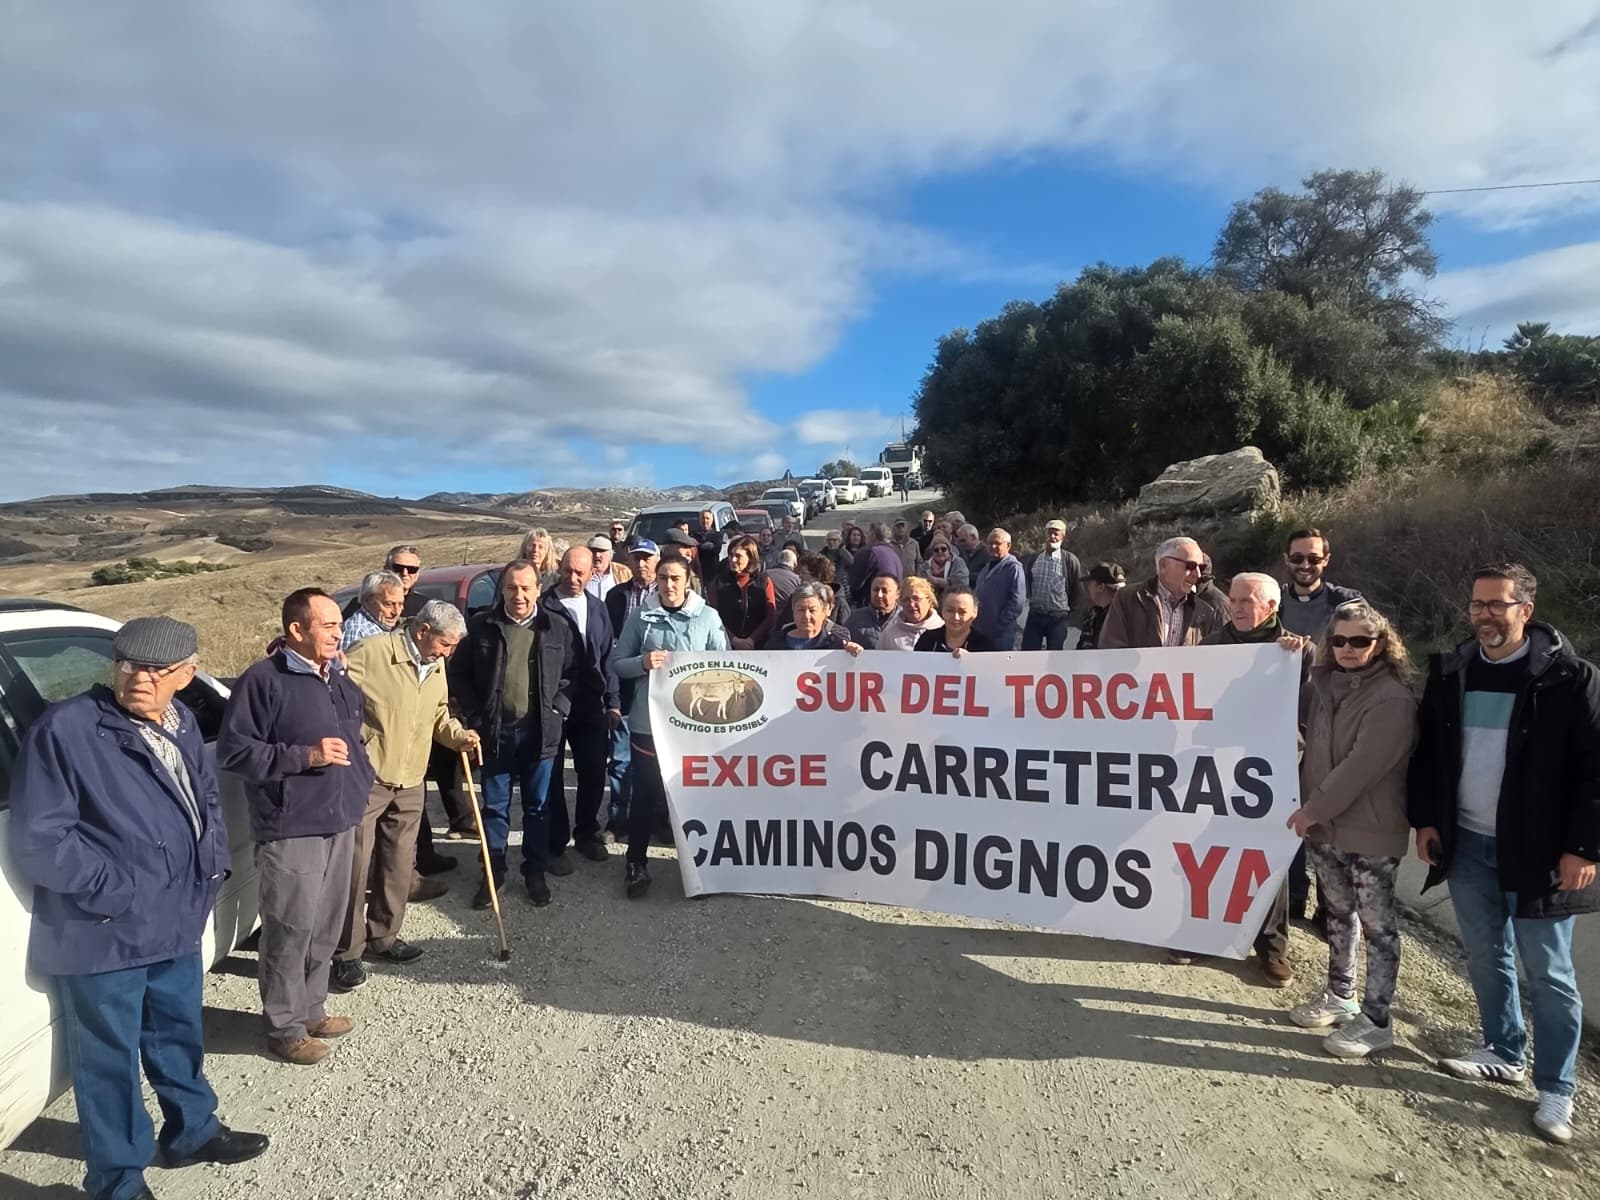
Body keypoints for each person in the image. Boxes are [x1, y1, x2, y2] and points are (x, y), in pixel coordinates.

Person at [12, 617, 269, 1198]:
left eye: (155, 670)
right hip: (105, 927)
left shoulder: (179, 722)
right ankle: (120, 1179)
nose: (138, 678)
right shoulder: (67, 730)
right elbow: (40, 839)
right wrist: (116, 889)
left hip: (176, 913)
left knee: (177, 1032)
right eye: (127, 664)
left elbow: (202, 796)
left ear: (188, 674)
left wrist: (212, 866)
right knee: (108, 1062)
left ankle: (192, 1130)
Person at [1409, 562, 1600, 1145]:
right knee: (1485, 954)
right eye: (1477, 604)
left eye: (1497, 604)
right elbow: (1428, 756)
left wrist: (1583, 847)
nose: (1485, 615)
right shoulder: (1451, 672)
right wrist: (1424, 820)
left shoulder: (1572, 678)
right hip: (1465, 843)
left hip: (1540, 853)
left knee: (1550, 974)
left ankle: (1557, 1088)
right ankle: (1502, 1049)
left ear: (1526, 611)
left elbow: (1595, 773)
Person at [219, 589, 374, 1065]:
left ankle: (311, 1009)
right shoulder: (263, 681)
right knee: (290, 928)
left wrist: (361, 777)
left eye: (337, 624)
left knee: (325, 925)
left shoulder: (337, 677)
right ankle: (284, 1028)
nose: (337, 631)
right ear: (296, 630)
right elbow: (235, 751)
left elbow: (355, 730)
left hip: (340, 817)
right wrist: (304, 756)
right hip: (292, 824)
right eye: (326, 625)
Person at [1285, 599, 1417, 1059]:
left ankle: (1377, 1019)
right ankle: (1340, 995)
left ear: (1380, 644)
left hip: (1370, 830)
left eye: (1359, 640)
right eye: (1338, 640)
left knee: (1378, 926)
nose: (1347, 648)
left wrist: (1311, 809)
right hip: (1326, 828)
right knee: (1338, 916)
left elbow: (1362, 766)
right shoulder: (1321, 685)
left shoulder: (1393, 698)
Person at [332, 602, 479, 993]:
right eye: (445, 643)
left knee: (398, 864)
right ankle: (346, 951)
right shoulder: (374, 651)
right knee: (355, 867)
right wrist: (354, 744)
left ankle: (384, 936)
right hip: (369, 776)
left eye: (451, 647)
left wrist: (458, 735)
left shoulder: (437, 662)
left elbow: (438, 715)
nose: (448, 653)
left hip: (412, 777)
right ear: (422, 631)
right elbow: (331, 691)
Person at [1178, 572, 1311, 984]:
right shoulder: (1213, 646)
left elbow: (1313, 712)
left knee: (1264, 856)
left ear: (1270, 607)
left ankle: (1271, 947)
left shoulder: (1296, 651)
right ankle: (1201, 933)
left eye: (1245, 600)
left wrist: (1299, 658)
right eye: (1233, 598)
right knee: (1209, 851)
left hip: (1270, 770)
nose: (1235, 606)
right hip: (1216, 765)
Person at [448, 560, 577, 910]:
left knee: (538, 808)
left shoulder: (557, 627)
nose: (518, 595)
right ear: (502, 589)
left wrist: (559, 708)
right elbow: (457, 674)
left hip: (540, 735)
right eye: (511, 587)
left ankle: (535, 872)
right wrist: (475, 714)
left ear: (538, 589)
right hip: (496, 734)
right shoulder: (481, 626)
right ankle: (494, 873)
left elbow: (574, 674)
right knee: (495, 809)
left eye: (525, 588)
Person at [614, 552, 730, 898]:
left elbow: (724, 663)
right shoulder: (640, 617)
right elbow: (618, 663)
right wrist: (642, 662)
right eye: (663, 578)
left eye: (675, 578)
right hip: (648, 724)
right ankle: (636, 864)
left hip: (694, 727)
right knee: (645, 795)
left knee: (693, 795)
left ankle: (701, 865)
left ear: (688, 580)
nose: (668, 585)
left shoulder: (707, 618)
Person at [542, 547, 622, 872]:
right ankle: (555, 843)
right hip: (552, 705)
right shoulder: (542, 607)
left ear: (593, 574)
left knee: (593, 771)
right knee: (552, 776)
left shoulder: (598, 608)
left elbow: (608, 660)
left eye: (580, 572)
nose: (573, 578)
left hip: (590, 704)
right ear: (559, 569)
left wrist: (613, 702)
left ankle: (586, 833)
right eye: (567, 570)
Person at [604, 540, 658, 838]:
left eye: (647, 559)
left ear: (657, 561)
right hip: (626, 685)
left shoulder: (669, 594)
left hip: (661, 688)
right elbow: (608, 643)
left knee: (662, 757)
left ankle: (660, 819)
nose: (642, 564)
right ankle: (617, 819)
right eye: (637, 558)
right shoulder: (616, 596)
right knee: (621, 758)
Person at [1098, 537, 1226, 649]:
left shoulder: (1205, 612)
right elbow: (1111, 653)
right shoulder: (1128, 598)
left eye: (1201, 568)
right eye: (1190, 566)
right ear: (1164, 565)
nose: (1197, 574)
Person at [1279, 528, 1363, 640]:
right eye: (1297, 558)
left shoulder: (1347, 601)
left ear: (1326, 560)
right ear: (1286, 559)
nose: (1305, 566)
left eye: (1314, 559)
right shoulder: (1273, 603)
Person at [1019, 519, 1084, 651]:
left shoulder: (1070, 561)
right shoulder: (1034, 559)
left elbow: (1077, 590)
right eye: (1050, 533)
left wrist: (1070, 615)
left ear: (1063, 537)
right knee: (1028, 655)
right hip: (1035, 615)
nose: (1052, 537)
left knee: (1054, 658)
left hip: (1058, 618)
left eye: (1056, 533)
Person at [709, 534, 778, 650]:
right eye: (730, 555)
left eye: (738, 556)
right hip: (726, 645)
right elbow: (713, 615)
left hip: (757, 646)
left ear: (750, 558)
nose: (733, 560)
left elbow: (771, 616)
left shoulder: (764, 581)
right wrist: (733, 639)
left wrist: (752, 639)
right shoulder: (718, 581)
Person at [766, 583, 865, 653]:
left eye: (812, 610)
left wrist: (854, 653)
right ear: (793, 610)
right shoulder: (774, 645)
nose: (806, 616)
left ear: (824, 612)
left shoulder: (836, 647)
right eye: (801, 610)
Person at [972, 528, 1026, 651]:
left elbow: (1017, 602)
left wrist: (999, 624)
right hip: (981, 629)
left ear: (1008, 546)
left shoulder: (1014, 568)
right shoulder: (988, 566)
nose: (993, 546)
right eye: (990, 543)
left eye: (997, 543)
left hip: (1000, 633)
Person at [342, 545, 425, 622]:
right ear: (386, 569)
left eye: (412, 569)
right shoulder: (362, 604)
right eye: (398, 568)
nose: (405, 573)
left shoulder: (424, 606)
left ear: (417, 574)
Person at [915, 587, 999, 655]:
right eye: (950, 611)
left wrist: (972, 661)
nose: (956, 617)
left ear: (974, 612)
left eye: (962, 612)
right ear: (942, 611)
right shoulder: (927, 640)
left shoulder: (985, 647)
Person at [340, 570, 407, 650]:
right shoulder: (357, 632)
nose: (396, 612)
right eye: (388, 604)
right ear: (367, 601)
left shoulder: (393, 626)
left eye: (400, 604)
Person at [846, 522, 905, 607]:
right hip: (893, 604)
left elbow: (855, 584)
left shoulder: (870, 552)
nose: (866, 537)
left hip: (874, 606)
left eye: (868, 533)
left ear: (873, 535)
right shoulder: (895, 552)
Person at [881, 575, 943, 651]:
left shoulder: (944, 631)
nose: (911, 604)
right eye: (906, 600)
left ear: (929, 601)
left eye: (916, 599)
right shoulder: (889, 634)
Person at [1077, 562, 1126, 650]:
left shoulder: (1127, 617)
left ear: (1101, 587)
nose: (1088, 588)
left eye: (1090, 584)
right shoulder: (1093, 615)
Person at [846, 574, 901, 649]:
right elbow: (839, 644)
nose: (879, 595)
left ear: (897, 594)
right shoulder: (855, 618)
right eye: (876, 590)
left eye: (884, 591)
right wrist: (847, 645)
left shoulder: (905, 618)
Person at [798, 552, 851, 626]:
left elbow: (845, 631)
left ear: (817, 576)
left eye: (803, 573)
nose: (800, 576)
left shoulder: (839, 602)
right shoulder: (797, 597)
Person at [584, 534, 633, 601]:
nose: (597, 555)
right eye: (593, 551)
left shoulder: (623, 572)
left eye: (601, 551)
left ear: (611, 554)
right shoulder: (579, 572)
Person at [920, 535, 969, 599]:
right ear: (932, 553)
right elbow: (921, 586)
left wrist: (937, 581)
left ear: (949, 550)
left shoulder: (958, 562)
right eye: (936, 550)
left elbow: (962, 584)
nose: (940, 551)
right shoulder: (925, 566)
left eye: (943, 549)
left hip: (953, 600)